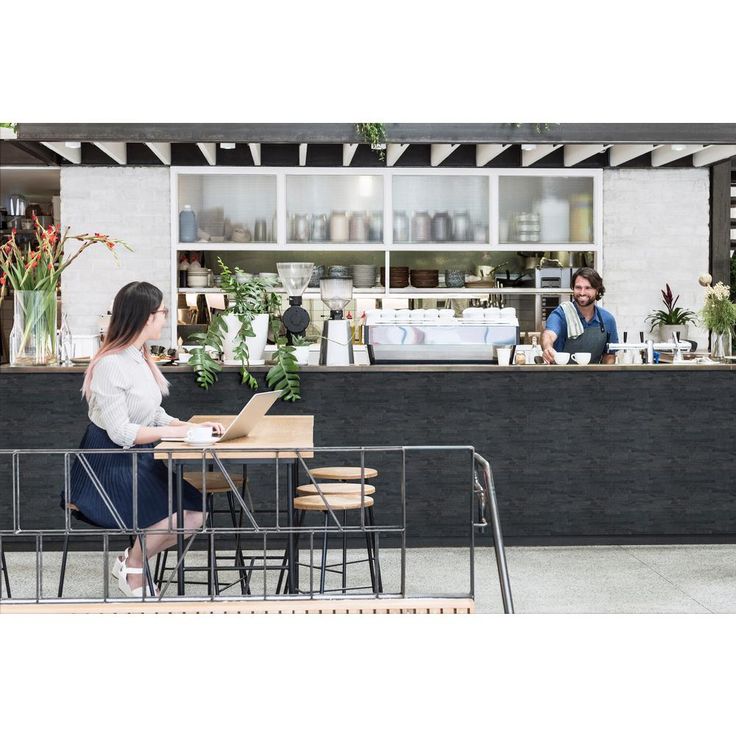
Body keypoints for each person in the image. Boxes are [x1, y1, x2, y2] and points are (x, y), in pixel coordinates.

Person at [66, 281, 225, 597]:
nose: (165, 317)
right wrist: (176, 433)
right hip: (108, 463)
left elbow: (152, 413)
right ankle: (135, 569)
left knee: (196, 514)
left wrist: (191, 425)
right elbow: (121, 432)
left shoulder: (140, 357)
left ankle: (129, 558)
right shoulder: (111, 364)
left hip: (140, 457)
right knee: (176, 515)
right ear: (145, 316)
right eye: (162, 311)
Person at [541, 267, 619, 365]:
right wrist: (548, 348)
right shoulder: (561, 314)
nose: (582, 293)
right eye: (578, 287)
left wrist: (606, 372)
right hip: (560, 374)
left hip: (594, 374)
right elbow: (549, 334)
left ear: (597, 290)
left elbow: (610, 355)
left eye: (588, 288)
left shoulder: (607, 320)